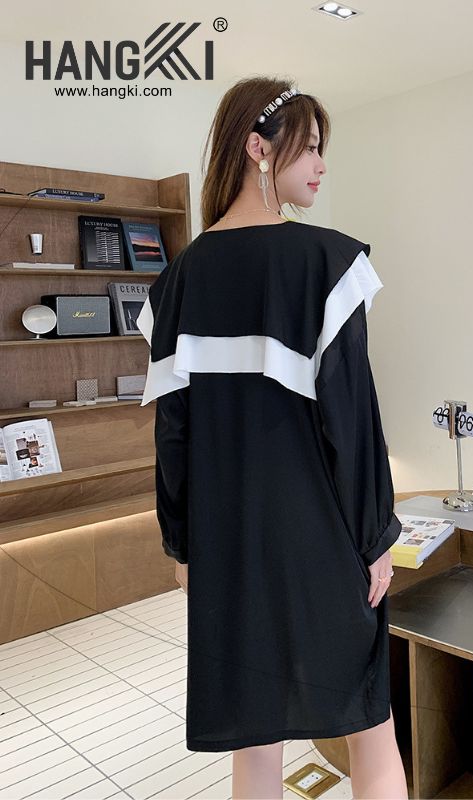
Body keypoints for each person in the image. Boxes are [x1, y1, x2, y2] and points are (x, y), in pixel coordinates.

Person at [136, 75, 408, 800]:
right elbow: (352, 420)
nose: (322, 164)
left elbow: (173, 436)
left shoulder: (177, 280)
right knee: (370, 728)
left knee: (255, 742)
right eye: (310, 147)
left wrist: (183, 545)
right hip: (321, 537)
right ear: (258, 148)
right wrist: (376, 535)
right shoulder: (326, 262)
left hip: (226, 544)